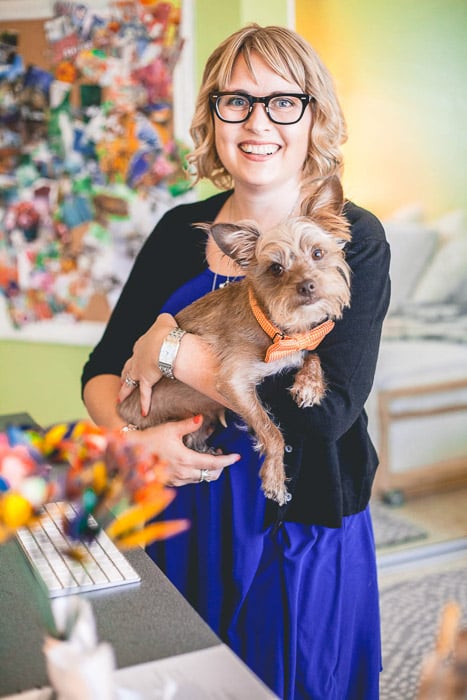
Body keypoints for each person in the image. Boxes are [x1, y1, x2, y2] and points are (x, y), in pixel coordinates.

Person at [81, 23, 390, 700]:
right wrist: (133, 444)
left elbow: (324, 413)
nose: (257, 122)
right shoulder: (177, 229)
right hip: (181, 512)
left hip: (298, 523)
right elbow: (102, 369)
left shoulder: (350, 238)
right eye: (235, 101)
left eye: (283, 102)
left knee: (294, 679)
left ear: (314, 116)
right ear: (212, 116)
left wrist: (172, 352)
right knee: (182, 682)